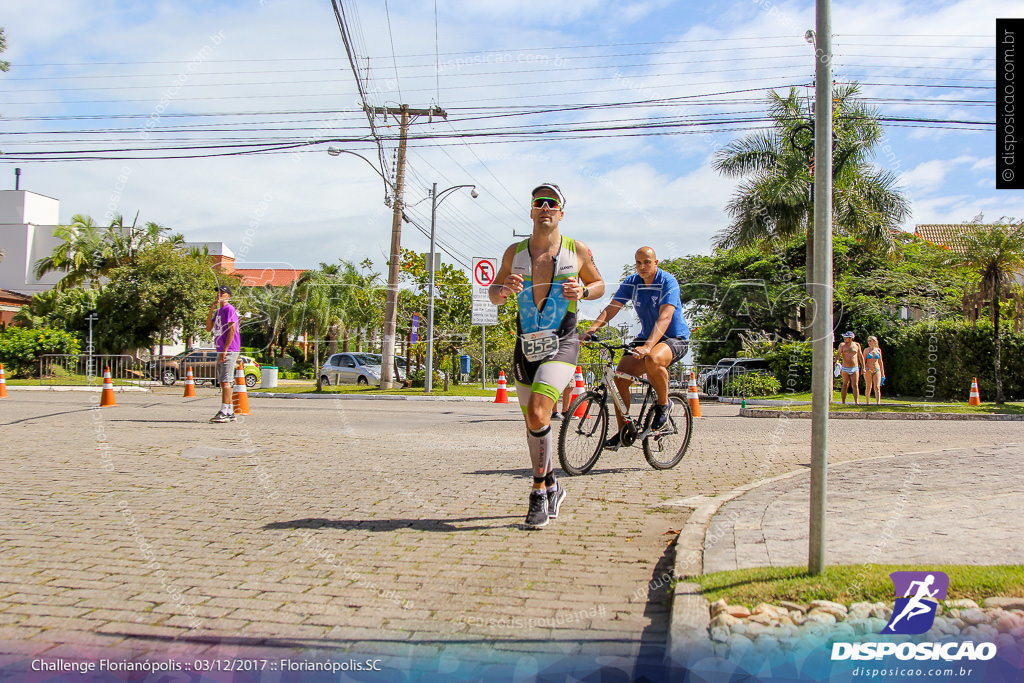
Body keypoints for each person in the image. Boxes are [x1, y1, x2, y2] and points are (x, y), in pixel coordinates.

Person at [489, 183, 605, 529]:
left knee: (541, 411)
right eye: (539, 202)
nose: (545, 208)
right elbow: (493, 294)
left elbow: (599, 285)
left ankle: (538, 492)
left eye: (551, 203)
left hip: (562, 341)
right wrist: (504, 289)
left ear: (561, 213)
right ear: (531, 211)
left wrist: (583, 290)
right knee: (533, 423)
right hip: (526, 345)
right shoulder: (514, 252)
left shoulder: (577, 250)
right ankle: (553, 483)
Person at [582, 246, 690, 449]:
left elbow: (665, 316)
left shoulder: (668, 282)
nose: (642, 266)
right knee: (619, 379)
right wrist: (590, 330)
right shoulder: (632, 282)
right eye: (638, 262)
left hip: (674, 338)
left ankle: (663, 405)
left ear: (656, 263)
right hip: (646, 338)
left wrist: (649, 346)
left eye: (647, 262)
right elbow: (611, 309)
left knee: (654, 359)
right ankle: (624, 431)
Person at [206, 285, 240, 423]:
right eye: (218, 292)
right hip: (220, 348)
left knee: (226, 381)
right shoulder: (219, 311)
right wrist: (211, 309)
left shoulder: (229, 309)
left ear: (228, 296)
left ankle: (224, 411)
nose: (219, 294)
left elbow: (232, 329)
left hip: (229, 349)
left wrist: (226, 349)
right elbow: (209, 328)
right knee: (222, 381)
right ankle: (230, 411)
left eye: (223, 293)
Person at [835, 331, 865, 405]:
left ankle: (856, 402)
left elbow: (860, 356)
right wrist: (837, 361)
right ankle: (843, 402)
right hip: (845, 367)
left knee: (855, 385)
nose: (844, 338)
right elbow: (838, 354)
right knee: (845, 384)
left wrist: (863, 367)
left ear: (851, 338)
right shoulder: (842, 345)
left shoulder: (857, 345)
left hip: (854, 368)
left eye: (846, 337)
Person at [863, 335, 886, 405]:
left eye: (870, 341)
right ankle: (867, 402)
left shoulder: (878, 350)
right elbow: (863, 360)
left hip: (877, 369)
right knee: (868, 386)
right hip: (868, 369)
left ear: (874, 342)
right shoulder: (866, 350)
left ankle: (878, 402)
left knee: (877, 386)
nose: (869, 342)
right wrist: (863, 369)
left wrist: (883, 372)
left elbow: (880, 362)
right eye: (868, 341)